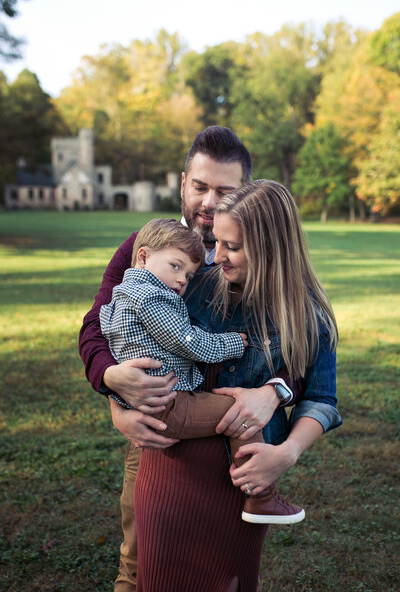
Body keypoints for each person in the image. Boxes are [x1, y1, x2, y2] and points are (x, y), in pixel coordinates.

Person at [79, 126, 301, 591]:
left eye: (225, 190)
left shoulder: (258, 257)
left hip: (234, 440)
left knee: (226, 573)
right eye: (200, 186)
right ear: (183, 184)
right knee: (140, 569)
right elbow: (99, 323)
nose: (208, 200)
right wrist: (114, 387)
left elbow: (298, 347)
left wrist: (273, 391)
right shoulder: (149, 246)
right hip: (158, 438)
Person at [133, 180, 341, 591]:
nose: (216, 255)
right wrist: (116, 394)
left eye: (231, 246)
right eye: (217, 242)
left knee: (229, 583)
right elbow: (122, 327)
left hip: (244, 485)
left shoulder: (310, 318)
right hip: (172, 471)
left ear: (270, 251)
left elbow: (321, 399)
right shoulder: (192, 287)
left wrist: (286, 453)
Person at [100, 217, 304, 524]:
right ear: (143, 256)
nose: (183, 280)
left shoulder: (122, 295)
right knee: (241, 412)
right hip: (170, 404)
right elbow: (192, 343)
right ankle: (259, 496)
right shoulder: (151, 297)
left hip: (150, 404)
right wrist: (234, 343)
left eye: (190, 274)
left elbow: (106, 330)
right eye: (176, 266)